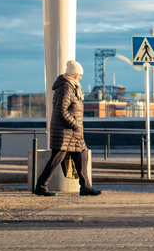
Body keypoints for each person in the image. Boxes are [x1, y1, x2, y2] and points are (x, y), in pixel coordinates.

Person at [33, 60, 102, 197]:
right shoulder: (66, 87)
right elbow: (60, 110)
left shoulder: (72, 86)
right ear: (74, 74)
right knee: (56, 159)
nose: (81, 77)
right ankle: (40, 187)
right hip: (65, 132)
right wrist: (75, 124)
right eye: (79, 74)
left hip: (73, 133)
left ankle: (85, 187)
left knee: (82, 156)